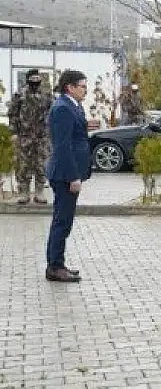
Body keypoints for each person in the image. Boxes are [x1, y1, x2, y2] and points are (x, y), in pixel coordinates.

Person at [44, 70, 91, 283]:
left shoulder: (72, 105)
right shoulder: (63, 108)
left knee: (63, 220)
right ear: (70, 87)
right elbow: (63, 146)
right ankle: (55, 267)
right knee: (62, 221)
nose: (85, 89)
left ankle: (57, 264)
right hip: (64, 174)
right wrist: (73, 176)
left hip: (68, 172)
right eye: (82, 85)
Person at [12, 69, 54, 205]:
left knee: (41, 165)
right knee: (23, 165)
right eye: (33, 78)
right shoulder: (20, 95)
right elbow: (12, 114)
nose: (35, 81)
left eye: (38, 78)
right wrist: (15, 132)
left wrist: (50, 131)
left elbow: (53, 114)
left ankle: (39, 192)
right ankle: (24, 192)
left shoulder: (47, 95)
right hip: (25, 137)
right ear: (28, 79)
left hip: (42, 138)